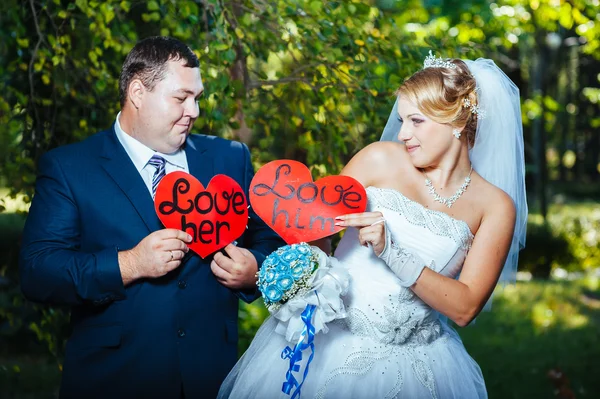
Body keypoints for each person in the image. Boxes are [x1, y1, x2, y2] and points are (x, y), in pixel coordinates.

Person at [218, 52, 527, 398]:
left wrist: (392, 252)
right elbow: (312, 233)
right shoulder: (379, 158)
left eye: (416, 121)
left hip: (421, 366)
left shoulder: (496, 207)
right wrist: (298, 276)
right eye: (402, 120)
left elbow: (465, 307)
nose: (404, 134)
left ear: (456, 121)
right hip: (330, 344)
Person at [19, 36, 284, 398]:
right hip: (114, 379)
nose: (194, 111)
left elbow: (270, 241)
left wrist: (255, 268)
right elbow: (38, 272)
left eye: (197, 98)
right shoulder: (70, 167)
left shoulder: (229, 159)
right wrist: (129, 264)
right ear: (138, 93)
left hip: (211, 377)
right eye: (180, 98)